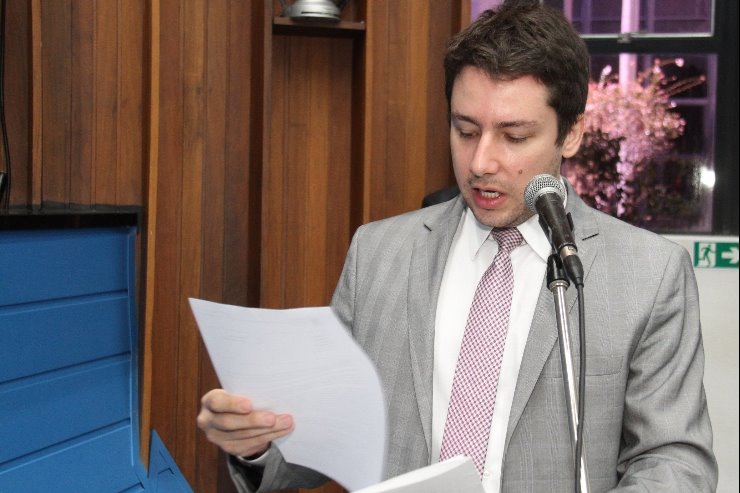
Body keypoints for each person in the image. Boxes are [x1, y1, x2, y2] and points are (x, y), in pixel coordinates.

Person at [197, 2, 717, 492]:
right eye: (465, 130)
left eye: (514, 137)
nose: (481, 163)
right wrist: (258, 442)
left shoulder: (649, 275)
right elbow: (325, 439)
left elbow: (674, 460)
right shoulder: (378, 254)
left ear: (572, 133)